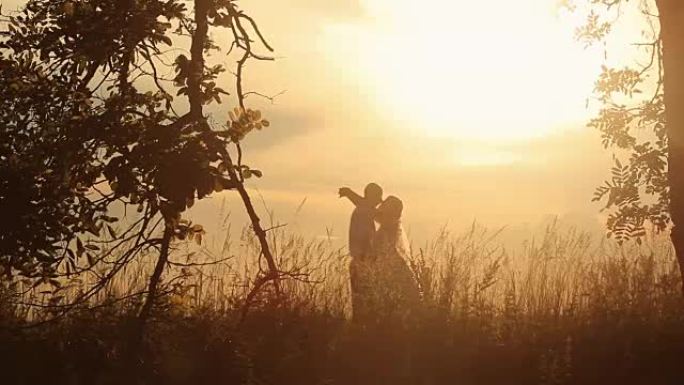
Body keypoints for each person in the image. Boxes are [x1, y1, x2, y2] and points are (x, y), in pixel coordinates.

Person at [339, 183, 383, 321]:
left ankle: (361, 332)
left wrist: (349, 192)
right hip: (363, 262)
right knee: (364, 306)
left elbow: (362, 202)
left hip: (361, 262)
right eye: (377, 198)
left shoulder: (363, 209)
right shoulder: (364, 212)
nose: (378, 203)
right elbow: (366, 241)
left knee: (362, 305)